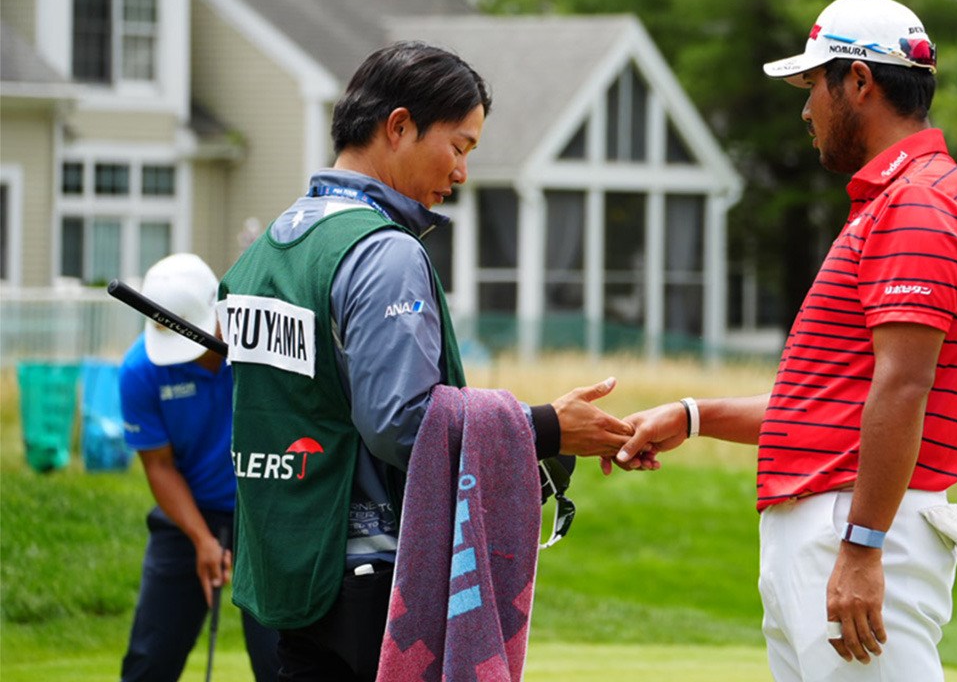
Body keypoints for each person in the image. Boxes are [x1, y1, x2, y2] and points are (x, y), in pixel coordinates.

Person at [605, 0, 957, 681]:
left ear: (860, 83)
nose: (806, 108)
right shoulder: (897, 199)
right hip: (842, 525)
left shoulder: (919, 204)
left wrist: (862, 547)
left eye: (814, 84)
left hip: (859, 527)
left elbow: (904, 385)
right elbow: (832, 401)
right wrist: (693, 416)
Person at [218, 40, 633, 681]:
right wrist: (544, 427)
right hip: (371, 577)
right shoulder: (383, 251)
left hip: (287, 569)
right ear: (400, 126)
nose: (462, 173)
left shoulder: (266, 250)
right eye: (460, 147)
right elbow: (401, 423)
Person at [118, 252, 280, 681]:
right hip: (189, 511)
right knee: (150, 659)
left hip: (268, 513)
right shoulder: (140, 370)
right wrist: (201, 538)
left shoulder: (265, 350)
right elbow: (159, 465)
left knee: (282, 661)